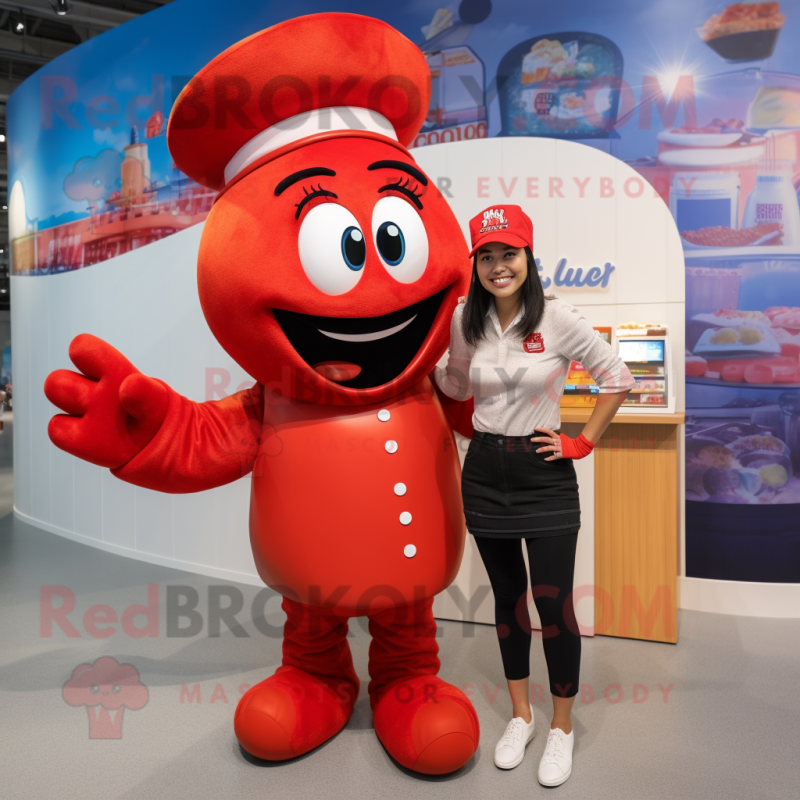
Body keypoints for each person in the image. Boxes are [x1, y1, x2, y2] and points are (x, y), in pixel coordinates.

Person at [435, 204, 635, 786]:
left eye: (509, 253)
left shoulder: (558, 319)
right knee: (508, 602)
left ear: (528, 257)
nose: (499, 266)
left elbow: (617, 377)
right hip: (485, 469)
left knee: (553, 605)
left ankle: (562, 727)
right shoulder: (463, 320)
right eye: (487, 256)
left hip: (543, 472)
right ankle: (521, 717)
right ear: (476, 264)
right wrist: (418, 372)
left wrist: (581, 444)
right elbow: (455, 382)